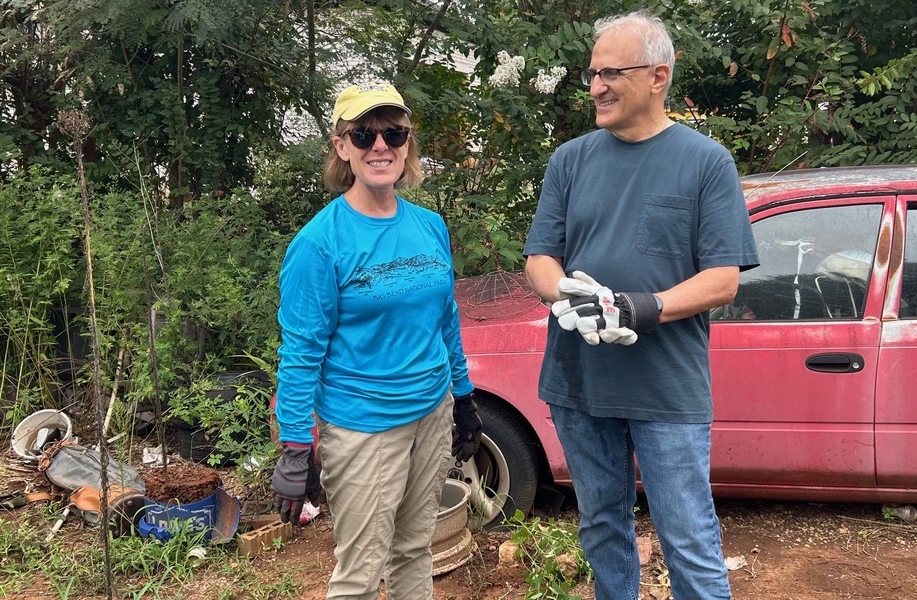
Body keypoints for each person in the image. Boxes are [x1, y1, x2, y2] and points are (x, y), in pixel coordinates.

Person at [523, 10, 759, 600]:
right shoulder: (570, 160)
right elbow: (541, 258)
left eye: (611, 73)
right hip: (579, 382)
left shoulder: (706, 162)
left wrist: (639, 308)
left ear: (658, 76)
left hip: (666, 388)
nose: (596, 87)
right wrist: (567, 294)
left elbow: (723, 280)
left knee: (688, 537)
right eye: (592, 74)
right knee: (602, 526)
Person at [269, 81, 482, 600]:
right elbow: (300, 352)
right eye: (364, 134)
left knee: (414, 550)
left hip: (432, 414)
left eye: (394, 133)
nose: (380, 145)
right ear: (342, 147)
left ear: (407, 142)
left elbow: (445, 318)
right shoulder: (319, 243)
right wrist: (296, 447)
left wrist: (464, 396)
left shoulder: (429, 226)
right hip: (363, 427)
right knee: (361, 575)